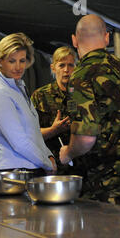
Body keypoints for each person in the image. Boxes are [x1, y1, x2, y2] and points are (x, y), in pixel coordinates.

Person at [59, 14, 120, 209]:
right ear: (106, 38)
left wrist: (67, 153)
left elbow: (85, 138)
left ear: (74, 40)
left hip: (107, 178)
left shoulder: (81, 76)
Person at [0, 32, 57, 176]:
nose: (18, 67)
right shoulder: (0, 93)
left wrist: (49, 156)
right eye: (12, 61)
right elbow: (19, 141)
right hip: (15, 173)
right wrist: (47, 162)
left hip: (31, 169)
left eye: (22, 60)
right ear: (0, 62)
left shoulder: (18, 88)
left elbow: (34, 134)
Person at [31, 46, 79, 174]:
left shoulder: (83, 94)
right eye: (61, 65)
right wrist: (53, 130)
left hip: (82, 167)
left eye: (71, 65)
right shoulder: (40, 96)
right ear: (53, 68)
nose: (66, 70)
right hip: (51, 166)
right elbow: (30, 135)